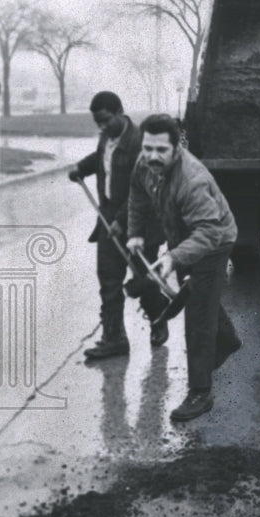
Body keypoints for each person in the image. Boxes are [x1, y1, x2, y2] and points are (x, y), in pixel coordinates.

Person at [127, 114, 242, 422]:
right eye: (148, 147)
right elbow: (138, 194)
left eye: (161, 150)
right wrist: (135, 232)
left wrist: (173, 257)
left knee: (198, 317)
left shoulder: (193, 179)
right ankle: (228, 339)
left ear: (176, 148)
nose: (152, 155)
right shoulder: (145, 163)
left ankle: (200, 393)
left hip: (213, 242)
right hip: (183, 237)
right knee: (200, 298)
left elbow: (209, 233)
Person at [68, 91, 169, 359]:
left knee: (142, 280)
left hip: (141, 224)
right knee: (109, 280)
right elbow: (101, 158)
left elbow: (143, 193)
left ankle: (158, 317)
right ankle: (115, 339)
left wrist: (121, 222)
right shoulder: (107, 137)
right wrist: (81, 167)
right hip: (108, 218)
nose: (101, 127)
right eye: (97, 123)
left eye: (105, 121)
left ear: (119, 111)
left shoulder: (139, 144)